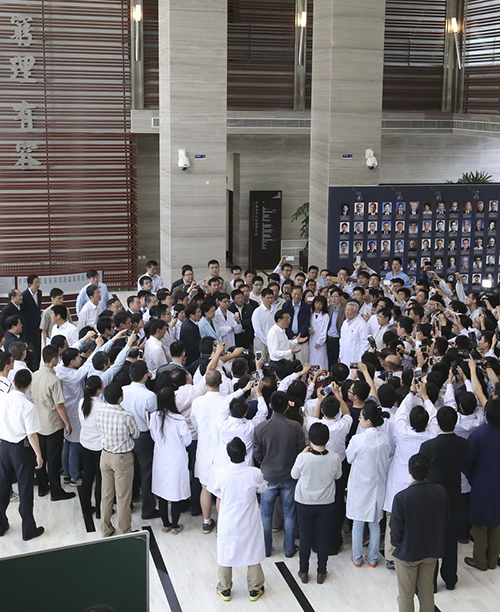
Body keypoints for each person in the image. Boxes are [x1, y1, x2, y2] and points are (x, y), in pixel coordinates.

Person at [390, 453, 449, 612]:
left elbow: (396, 528)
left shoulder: (402, 497)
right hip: (431, 550)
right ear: (429, 471)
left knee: (406, 594)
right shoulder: (441, 492)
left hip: (408, 552)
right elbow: (445, 520)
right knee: (427, 592)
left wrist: (396, 543)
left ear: (409, 471)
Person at [420, 406, 470, 590]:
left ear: (438, 423)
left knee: (432, 538)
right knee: (451, 538)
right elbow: (465, 465)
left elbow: (422, 470)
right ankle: (450, 579)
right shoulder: (463, 444)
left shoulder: (428, 446)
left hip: (432, 496)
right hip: (454, 495)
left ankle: (431, 583)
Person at [212, 436, 267, 602]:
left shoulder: (221, 473)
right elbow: (263, 488)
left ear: (228, 455)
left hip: (228, 520)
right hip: (249, 520)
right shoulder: (254, 473)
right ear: (245, 453)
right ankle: (255, 589)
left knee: (226, 552)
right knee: (253, 551)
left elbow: (216, 491)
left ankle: (224, 588)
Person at [254, 390, 306, 557]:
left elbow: (257, 453)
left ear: (270, 406)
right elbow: (301, 451)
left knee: (266, 515)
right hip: (289, 476)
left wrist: (265, 463)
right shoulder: (295, 427)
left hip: (268, 476)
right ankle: (289, 549)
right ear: (286, 407)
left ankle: (266, 549)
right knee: (290, 514)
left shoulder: (261, 428)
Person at [291, 422, 342, 584]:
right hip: (326, 503)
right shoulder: (335, 458)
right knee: (323, 537)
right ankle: (321, 572)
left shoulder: (303, 457)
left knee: (305, 537)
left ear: (310, 440)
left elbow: (294, 475)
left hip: (304, 502)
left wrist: (302, 454)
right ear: (327, 439)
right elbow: (338, 476)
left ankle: (303, 571)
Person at [0, 369, 44, 540]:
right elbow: (31, 434)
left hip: (4, 447)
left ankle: (1, 525)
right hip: (21, 450)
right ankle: (28, 530)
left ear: (13, 382)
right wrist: (38, 454)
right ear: (29, 385)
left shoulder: (3, 398)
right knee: (25, 489)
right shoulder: (28, 406)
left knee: (3, 487)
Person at [346, 404, 391, 568]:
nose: (359, 419)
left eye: (361, 417)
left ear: (368, 421)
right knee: (374, 523)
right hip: (378, 485)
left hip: (360, 486)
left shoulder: (358, 440)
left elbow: (349, 458)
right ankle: (372, 558)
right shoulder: (385, 439)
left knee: (358, 524)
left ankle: (357, 558)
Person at [32, 345, 76, 501]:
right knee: (54, 460)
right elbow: (59, 405)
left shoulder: (35, 375)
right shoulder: (54, 380)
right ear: (53, 360)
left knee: (41, 457)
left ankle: (43, 487)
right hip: (52, 424)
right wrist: (67, 423)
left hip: (38, 422)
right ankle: (57, 492)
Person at [96, 382, 140, 537]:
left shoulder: (100, 411)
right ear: (120, 398)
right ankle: (125, 530)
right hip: (122, 458)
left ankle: (106, 528)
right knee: (123, 496)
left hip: (105, 455)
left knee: (106, 494)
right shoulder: (127, 416)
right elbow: (136, 434)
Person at [463, 398, 500, 571]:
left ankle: (480, 560)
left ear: (485, 414)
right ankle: (493, 559)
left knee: (479, 524)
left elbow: (468, 463)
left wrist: (473, 479)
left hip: (481, 483)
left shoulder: (477, 436)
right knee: (496, 523)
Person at [150, 387, 192, 535]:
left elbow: (154, 436)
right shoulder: (179, 419)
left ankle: (165, 524)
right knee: (176, 493)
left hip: (161, 458)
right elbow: (187, 441)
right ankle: (175, 525)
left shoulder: (154, 417)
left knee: (162, 492)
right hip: (177, 460)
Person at [121, 360, 159, 520]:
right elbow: (154, 417)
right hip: (143, 436)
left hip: (125, 434)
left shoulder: (123, 390)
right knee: (146, 472)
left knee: (129, 470)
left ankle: (129, 501)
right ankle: (148, 509)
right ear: (145, 376)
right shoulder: (149, 396)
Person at [78, 376, 105, 519]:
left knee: (87, 478)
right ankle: (101, 510)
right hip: (99, 447)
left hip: (85, 443)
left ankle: (86, 509)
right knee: (101, 480)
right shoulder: (102, 407)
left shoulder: (82, 402)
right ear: (99, 390)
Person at [20, 274, 42, 367]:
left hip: (37, 326)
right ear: (30, 284)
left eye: (39, 282)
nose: (38, 284)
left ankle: (37, 366)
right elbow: (22, 312)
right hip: (28, 328)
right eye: (36, 283)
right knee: (29, 349)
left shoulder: (39, 293)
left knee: (38, 348)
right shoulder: (24, 296)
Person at [339, 301, 369, 367]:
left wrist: (360, 360)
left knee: (353, 372)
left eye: (349, 310)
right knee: (344, 371)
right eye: (346, 309)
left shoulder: (362, 324)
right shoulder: (345, 322)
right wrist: (340, 355)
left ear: (356, 312)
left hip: (355, 358)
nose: (347, 312)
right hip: (344, 356)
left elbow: (365, 344)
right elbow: (342, 340)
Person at [308, 296, 329, 371]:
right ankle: (313, 376)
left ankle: (321, 375)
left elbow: (325, 330)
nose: (318, 306)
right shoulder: (311, 314)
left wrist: (319, 342)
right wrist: (309, 329)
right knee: (312, 360)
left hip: (321, 344)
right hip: (312, 341)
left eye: (320, 304)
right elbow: (308, 325)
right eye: (316, 303)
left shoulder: (325, 316)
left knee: (321, 361)